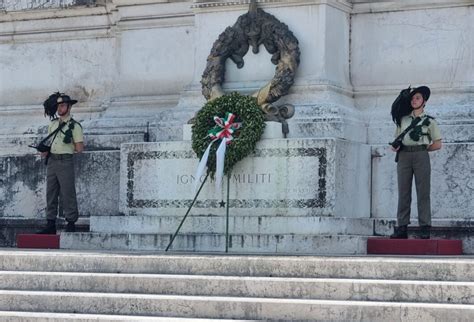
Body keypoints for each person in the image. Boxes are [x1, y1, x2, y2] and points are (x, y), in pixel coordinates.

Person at [390, 86, 442, 239]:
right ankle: (402, 227)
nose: (414, 100)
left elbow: (438, 143)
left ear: (424, 101)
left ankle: (425, 227)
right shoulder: (403, 119)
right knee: (403, 192)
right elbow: (397, 139)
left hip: (421, 155)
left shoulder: (429, 121)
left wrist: (424, 149)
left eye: (418, 98)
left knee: (423, 192)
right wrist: (396, 146)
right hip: (404, 155)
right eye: (412, 98)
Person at [38, 93, 84, 234]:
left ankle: (71, 222)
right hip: (52, 160)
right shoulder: (52, 125)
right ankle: (50, 223)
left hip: (65, 161)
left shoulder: (75, 126)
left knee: (67, 192)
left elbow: (79, 148)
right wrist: (45, 150)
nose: (60, 108)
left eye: (63, 105)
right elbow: (50, 144)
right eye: (59, 106)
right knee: (50, 193)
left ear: (69, 107)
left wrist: (68, 141)